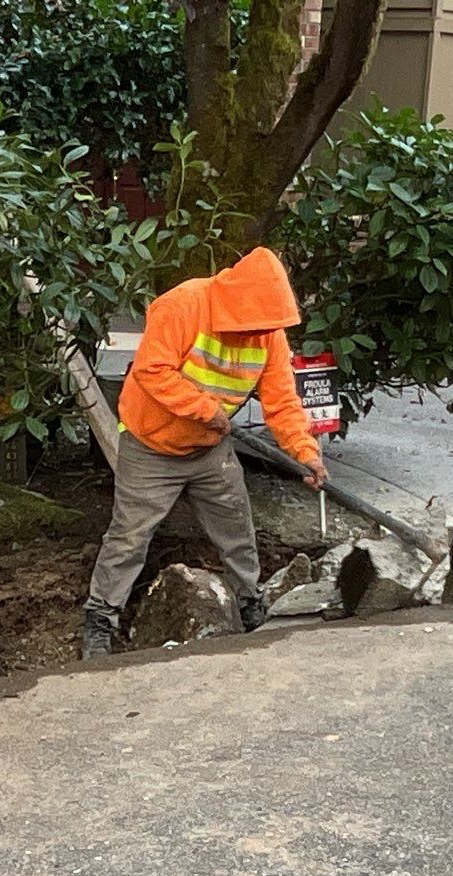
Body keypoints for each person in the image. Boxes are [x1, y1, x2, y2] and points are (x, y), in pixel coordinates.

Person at [83, 246, 327, 659]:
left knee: (237, 528)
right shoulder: (183, 305)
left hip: (210, 449)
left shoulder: (268, 332)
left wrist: (304, 452)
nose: (262, 333)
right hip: (151, 446)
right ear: (241, 304)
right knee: (129, 538)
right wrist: (206, 409)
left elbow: (283, 402)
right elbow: (152, 370)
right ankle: (100, 618)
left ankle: (248, 600)